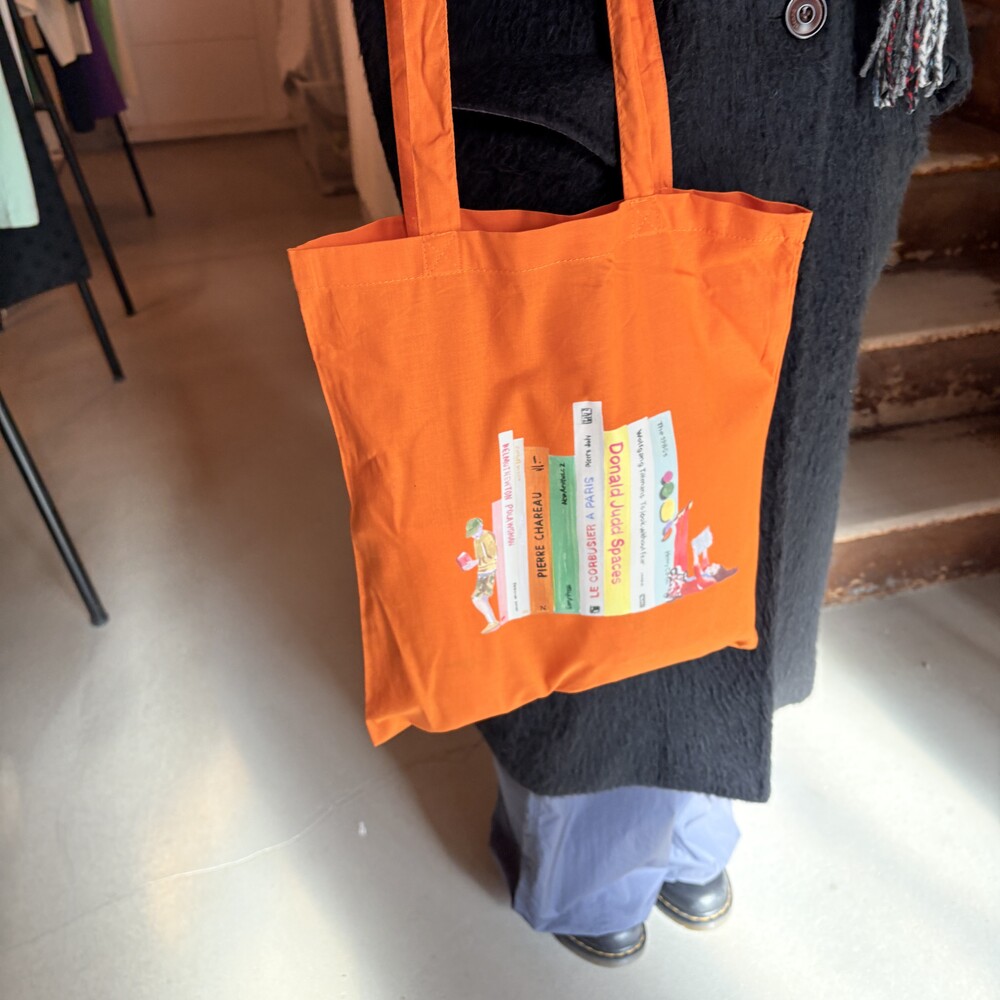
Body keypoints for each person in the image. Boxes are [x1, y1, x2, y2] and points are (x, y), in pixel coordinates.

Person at [351, 0, 972, 965]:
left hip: (839, 75)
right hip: (581, 61)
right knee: (578, 518)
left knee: (744, 497)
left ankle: (693, 816)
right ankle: (585, 853)